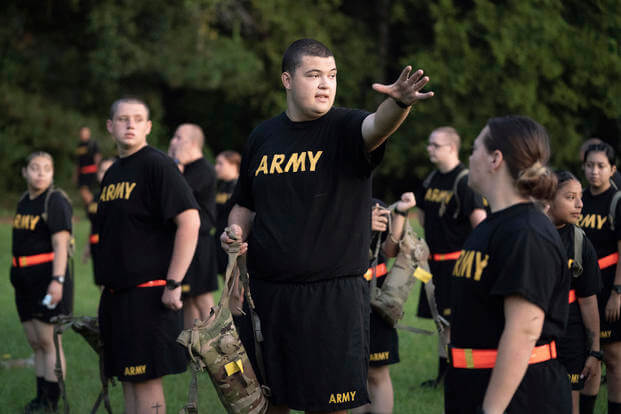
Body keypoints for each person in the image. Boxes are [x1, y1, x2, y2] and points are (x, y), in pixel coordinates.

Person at [221, 38, 433, 413]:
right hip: (269, 296)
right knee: (269, 403)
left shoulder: (345, 127)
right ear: (287, 79)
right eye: (314, 75)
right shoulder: (263, 137)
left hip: (332, 298)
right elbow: (245, 204)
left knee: (330, 407)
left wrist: (399, 102)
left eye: (332, 76)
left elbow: (377, 126)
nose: (325, 84)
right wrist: (235, 233)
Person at [444, 115, 571, 413]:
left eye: (474, 149)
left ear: (495, 159)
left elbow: (524, 330)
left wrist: (492, 410)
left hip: (521, 397)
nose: (469, 157)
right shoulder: (494, 225)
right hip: (475, 386)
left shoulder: (526, 232)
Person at [96, 97, 200, 414]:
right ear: (110, 126)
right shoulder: (113, 173)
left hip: (149, 294)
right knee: (128, 381)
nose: (130, 124)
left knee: (146, 382)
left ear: (148, 127)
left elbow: (190, 221)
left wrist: (174, 283)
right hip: (116, 295)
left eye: (138, 119)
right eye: (123, 119)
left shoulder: (158, 165)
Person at [415, 126, 487, 387]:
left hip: (457, 264)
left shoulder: (465, 181)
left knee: (457, 322)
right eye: (429, 144)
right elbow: (422, 213)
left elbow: (481, 223)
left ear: (452, 149)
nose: (429, 149)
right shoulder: (431, 178)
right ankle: (444, 375)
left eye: (436, 145)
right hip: (434, 264)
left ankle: (460, 374)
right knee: (442, 322)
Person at [11, 151, 73, 413]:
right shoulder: (25, 200)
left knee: (50, 343)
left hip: (47, 280)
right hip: (23, 281)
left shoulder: (55, 200)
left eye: (46, 168)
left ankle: (52, 402)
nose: (40, 173)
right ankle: (40, 398)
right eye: (34, 168)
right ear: (24, 171)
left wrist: (57, 280)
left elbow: (61, 243)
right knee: (35, 343)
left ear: (52, 173)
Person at [352, 193, 416, 414]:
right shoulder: (333, 205)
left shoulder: (375, 206)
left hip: (374, 301)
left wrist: (400, 213)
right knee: (353, 373)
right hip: (343, 299)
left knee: (377, 372)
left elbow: (390, 250)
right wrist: (359, 225)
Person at [547, 170, 602, 414]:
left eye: (580, 197)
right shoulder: (527, 235)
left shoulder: (580, 243)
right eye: (570, 197)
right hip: (531, 333)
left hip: (570, 334)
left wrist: (594, 351)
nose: (580, 204)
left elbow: (588, 302)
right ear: (548, 198)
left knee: (569, 405)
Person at [579, 142, 621, 414]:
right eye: (590, 165)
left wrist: (618, 292)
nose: (595, 171)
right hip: (583, 291)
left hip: (609, 290)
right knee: (589, 357)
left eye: (601, 166)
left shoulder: (617, 201)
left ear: (612, 169)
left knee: (614, 357)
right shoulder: (578, 198)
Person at [170, 123, 219, 328]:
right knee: (187, 299)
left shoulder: (202, 169)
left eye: (178, 137)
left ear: (190, 142)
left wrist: (176, 168)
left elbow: (180, 197)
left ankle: (221, 349)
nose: (173, 141)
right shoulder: (185, 168)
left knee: (202, 297)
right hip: (185, 241)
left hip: (200, 243)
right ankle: (192, 351)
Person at [82, 157, 114, 286]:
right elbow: (93, 223)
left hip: (112, 245)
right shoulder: (96, 197)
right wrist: (88, 246)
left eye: (110, 170)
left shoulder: (120, 195)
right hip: (96, 245)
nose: (105, 174)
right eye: (102, 171)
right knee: (100, 282)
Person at [214, 150, 241, 274]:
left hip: (233, 239)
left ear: (233, 165)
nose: (216, 167)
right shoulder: (222, 186)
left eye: (220, 164)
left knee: (236, 280)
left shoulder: (239, 187)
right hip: (221, 236)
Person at [74, 126, 101, 206]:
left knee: (86, 191)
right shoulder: (79, 145)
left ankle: (93, 207)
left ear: (89, 134)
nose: (83, 135)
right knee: (84, 192)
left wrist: (98, 170)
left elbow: (97, 157)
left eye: (85, 133)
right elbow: (78, 162)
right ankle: (92, 208)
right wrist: (75, 174)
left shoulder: (93, 144)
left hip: (91, 171)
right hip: (82, 172)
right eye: (82, 133)